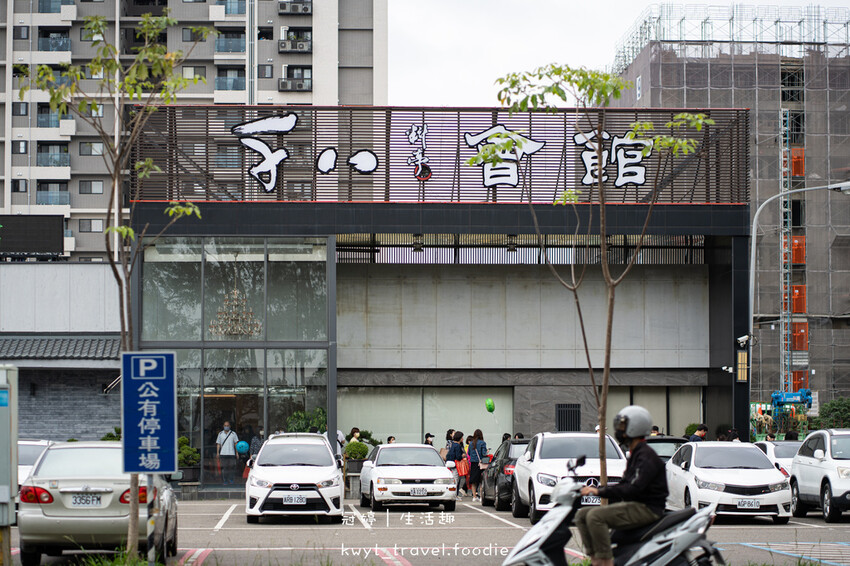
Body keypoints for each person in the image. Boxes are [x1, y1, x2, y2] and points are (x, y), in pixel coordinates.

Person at [576, 406, 668, 566]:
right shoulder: (636, 453)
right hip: (635, 505)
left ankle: (605, 562)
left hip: (647, 508)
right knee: (582, 515)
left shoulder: (645, 457)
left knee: (595, 517)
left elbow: (633, 488)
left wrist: (598, 491)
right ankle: (595, 558)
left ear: (634, 427)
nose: (619, 430)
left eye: (622, 426)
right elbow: (625, 484)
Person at [216, 421, 239, 485]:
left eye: (227, 425)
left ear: (230, 426)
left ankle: (231, 480)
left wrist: (237, 453)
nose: (226, 427)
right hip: (223, 453)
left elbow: (236, 444)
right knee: (224, 468)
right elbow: (218, 444)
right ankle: (225, 480)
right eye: (225, 425)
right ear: (223, 426)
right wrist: (218, 453)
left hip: (231, 453)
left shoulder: (233, 434)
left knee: (232, 467)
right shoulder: (220, 434)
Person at [468, 429, 488, 502]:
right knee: (481, 480)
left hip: (473, 463)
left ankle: (474, 496)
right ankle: (481, 496)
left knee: (474, 481)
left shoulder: (471, 443)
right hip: (481, 463)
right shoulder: (483, 443)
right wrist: (487, 451)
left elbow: (469, 453)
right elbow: (484, 454)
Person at [445, 430, 466, 499]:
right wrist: (462, 456)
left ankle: (454, 495)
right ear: (459, 438)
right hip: (455, 465)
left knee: (453, 480)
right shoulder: (458, 446)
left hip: (450, 464)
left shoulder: (453, 444)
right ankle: (454, 495)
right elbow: (458, 457)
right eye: (462, 437)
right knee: (456, 480)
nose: (463, 439)